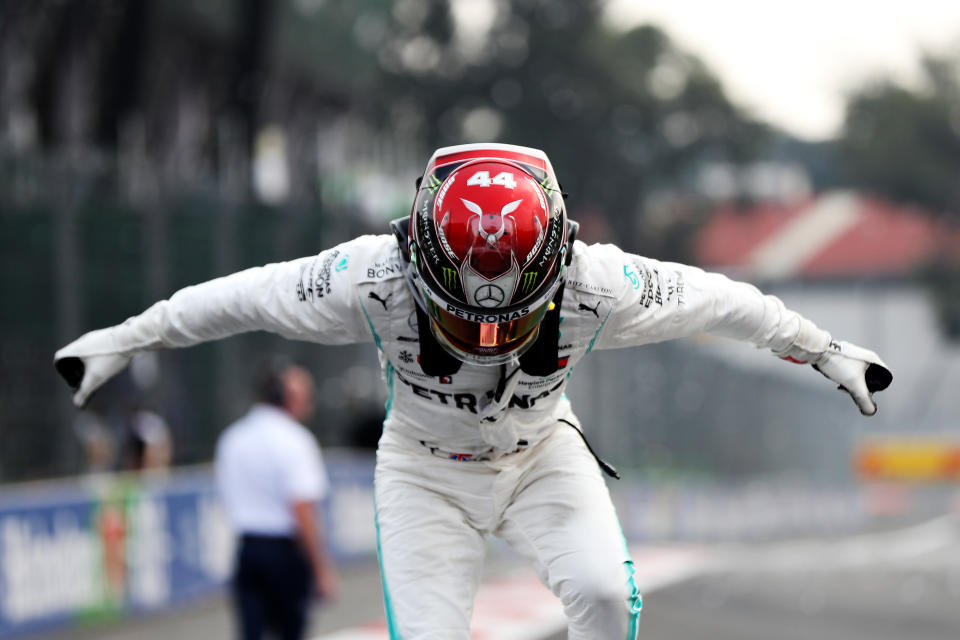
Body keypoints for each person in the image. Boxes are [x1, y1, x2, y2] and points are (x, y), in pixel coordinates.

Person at [54, 143, 892, 639]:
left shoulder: (600, 280)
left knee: (605, 597)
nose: (487, 335)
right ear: (418, 261)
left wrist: (824, 350)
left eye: (511, 317)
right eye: (461, 317)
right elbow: (234, 297)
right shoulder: (365, 275)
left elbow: (728, 300)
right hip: (423, 472)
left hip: (542, 457)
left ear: (552, 266)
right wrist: (124, 341)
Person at [214, 359, 338, 640]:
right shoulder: (296, 440)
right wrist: (321, 568)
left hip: (247, 549)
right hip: (286, 553)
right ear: (286, 397)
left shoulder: (232, 438)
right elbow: (303, 509)